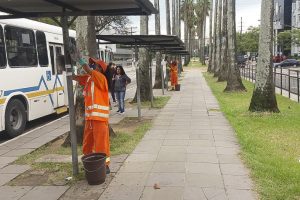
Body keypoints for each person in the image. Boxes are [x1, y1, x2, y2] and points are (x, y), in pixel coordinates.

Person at [72, 57, 111, 174]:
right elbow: (75, 77)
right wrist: (66, 67)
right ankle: (90, 163)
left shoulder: (101, 78)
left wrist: (79, 59)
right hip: (90, 118)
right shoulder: (90, 79)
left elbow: (88, 70)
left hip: (99, 118)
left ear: (101, 68)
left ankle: (105, 166)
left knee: (101, 143)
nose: (93, 66)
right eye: (92, 64)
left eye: (95, 65)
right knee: (87, 143)